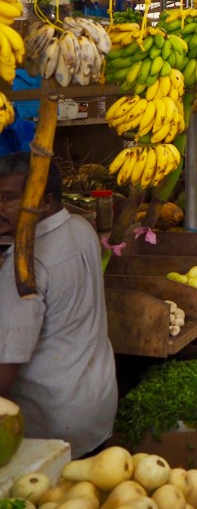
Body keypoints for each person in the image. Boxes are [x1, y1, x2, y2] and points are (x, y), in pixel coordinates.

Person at [0, 152, 117, 456]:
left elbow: (5, 368)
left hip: (51, 424)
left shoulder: (26, 265)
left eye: (9, 198)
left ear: (46, 200)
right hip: (98, 406)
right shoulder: (81, 228)